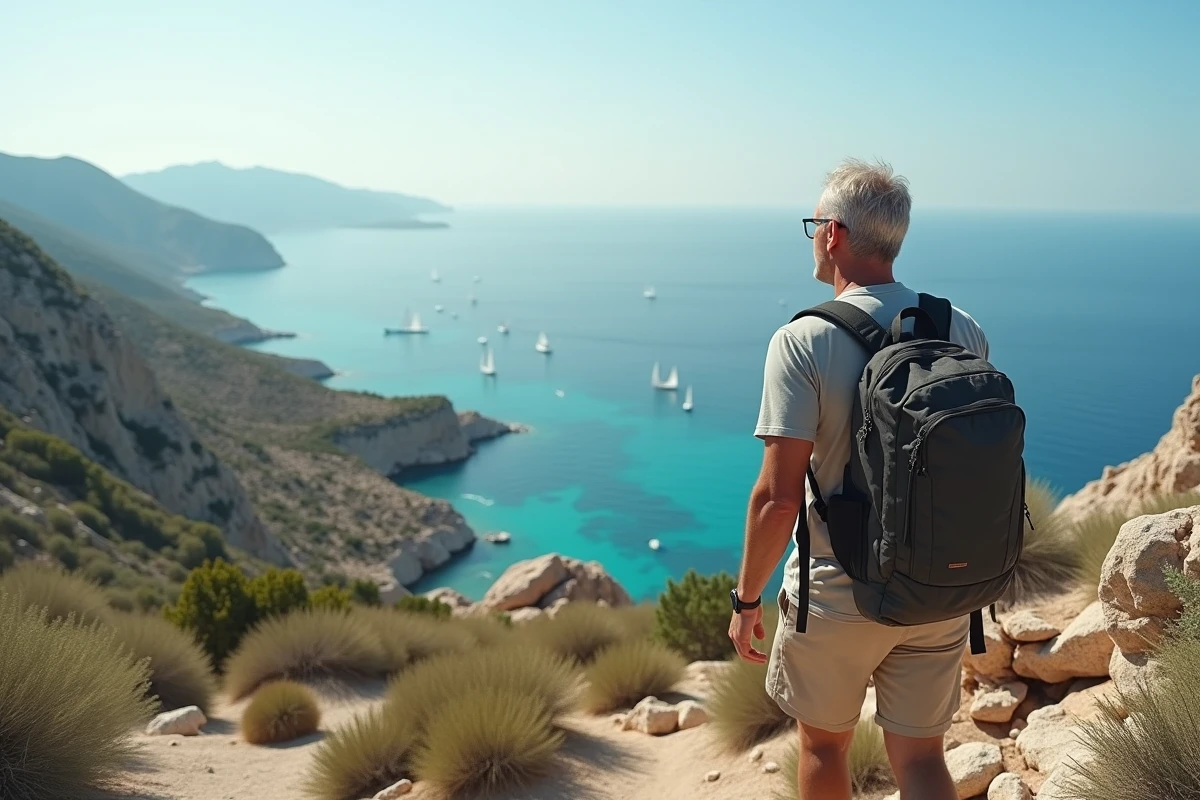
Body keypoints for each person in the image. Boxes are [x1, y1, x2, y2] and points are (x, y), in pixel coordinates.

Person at [728, 158, 989, 800]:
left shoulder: (804, 340)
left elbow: (777, 496)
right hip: (940, 585)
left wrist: (746, 599)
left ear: (834, 233)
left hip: (837, 593)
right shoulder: (963, 329)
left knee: (823, 745)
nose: (814, 235)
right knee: (924, 759)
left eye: (815, 223)